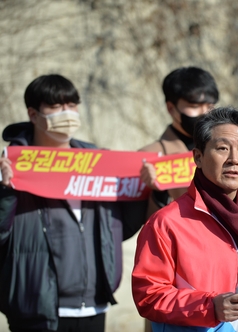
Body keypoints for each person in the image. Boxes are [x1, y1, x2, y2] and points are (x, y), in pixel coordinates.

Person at [132, 107, 238, 332]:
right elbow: (149, 295)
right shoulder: (167, 223)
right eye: (222, 148)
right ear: (198, 157)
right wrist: (209, 307)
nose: (234, 160)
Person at [0, 74, 146, 332]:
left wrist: (148, 191)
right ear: (33, 114)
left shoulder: (99, 164)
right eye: (56, 107)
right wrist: (5, 193)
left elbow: (118, 229)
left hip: (94, 306)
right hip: (37, 310)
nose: (67, 113)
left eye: (72, 105)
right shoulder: (11, 167)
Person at [139, 66, 218, 217]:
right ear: (171, 108)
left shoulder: (226, 148)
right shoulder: (149, 156)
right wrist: (158, 192)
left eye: (210, 106)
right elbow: (144, 222)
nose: (204, 113)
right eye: (194, 106)